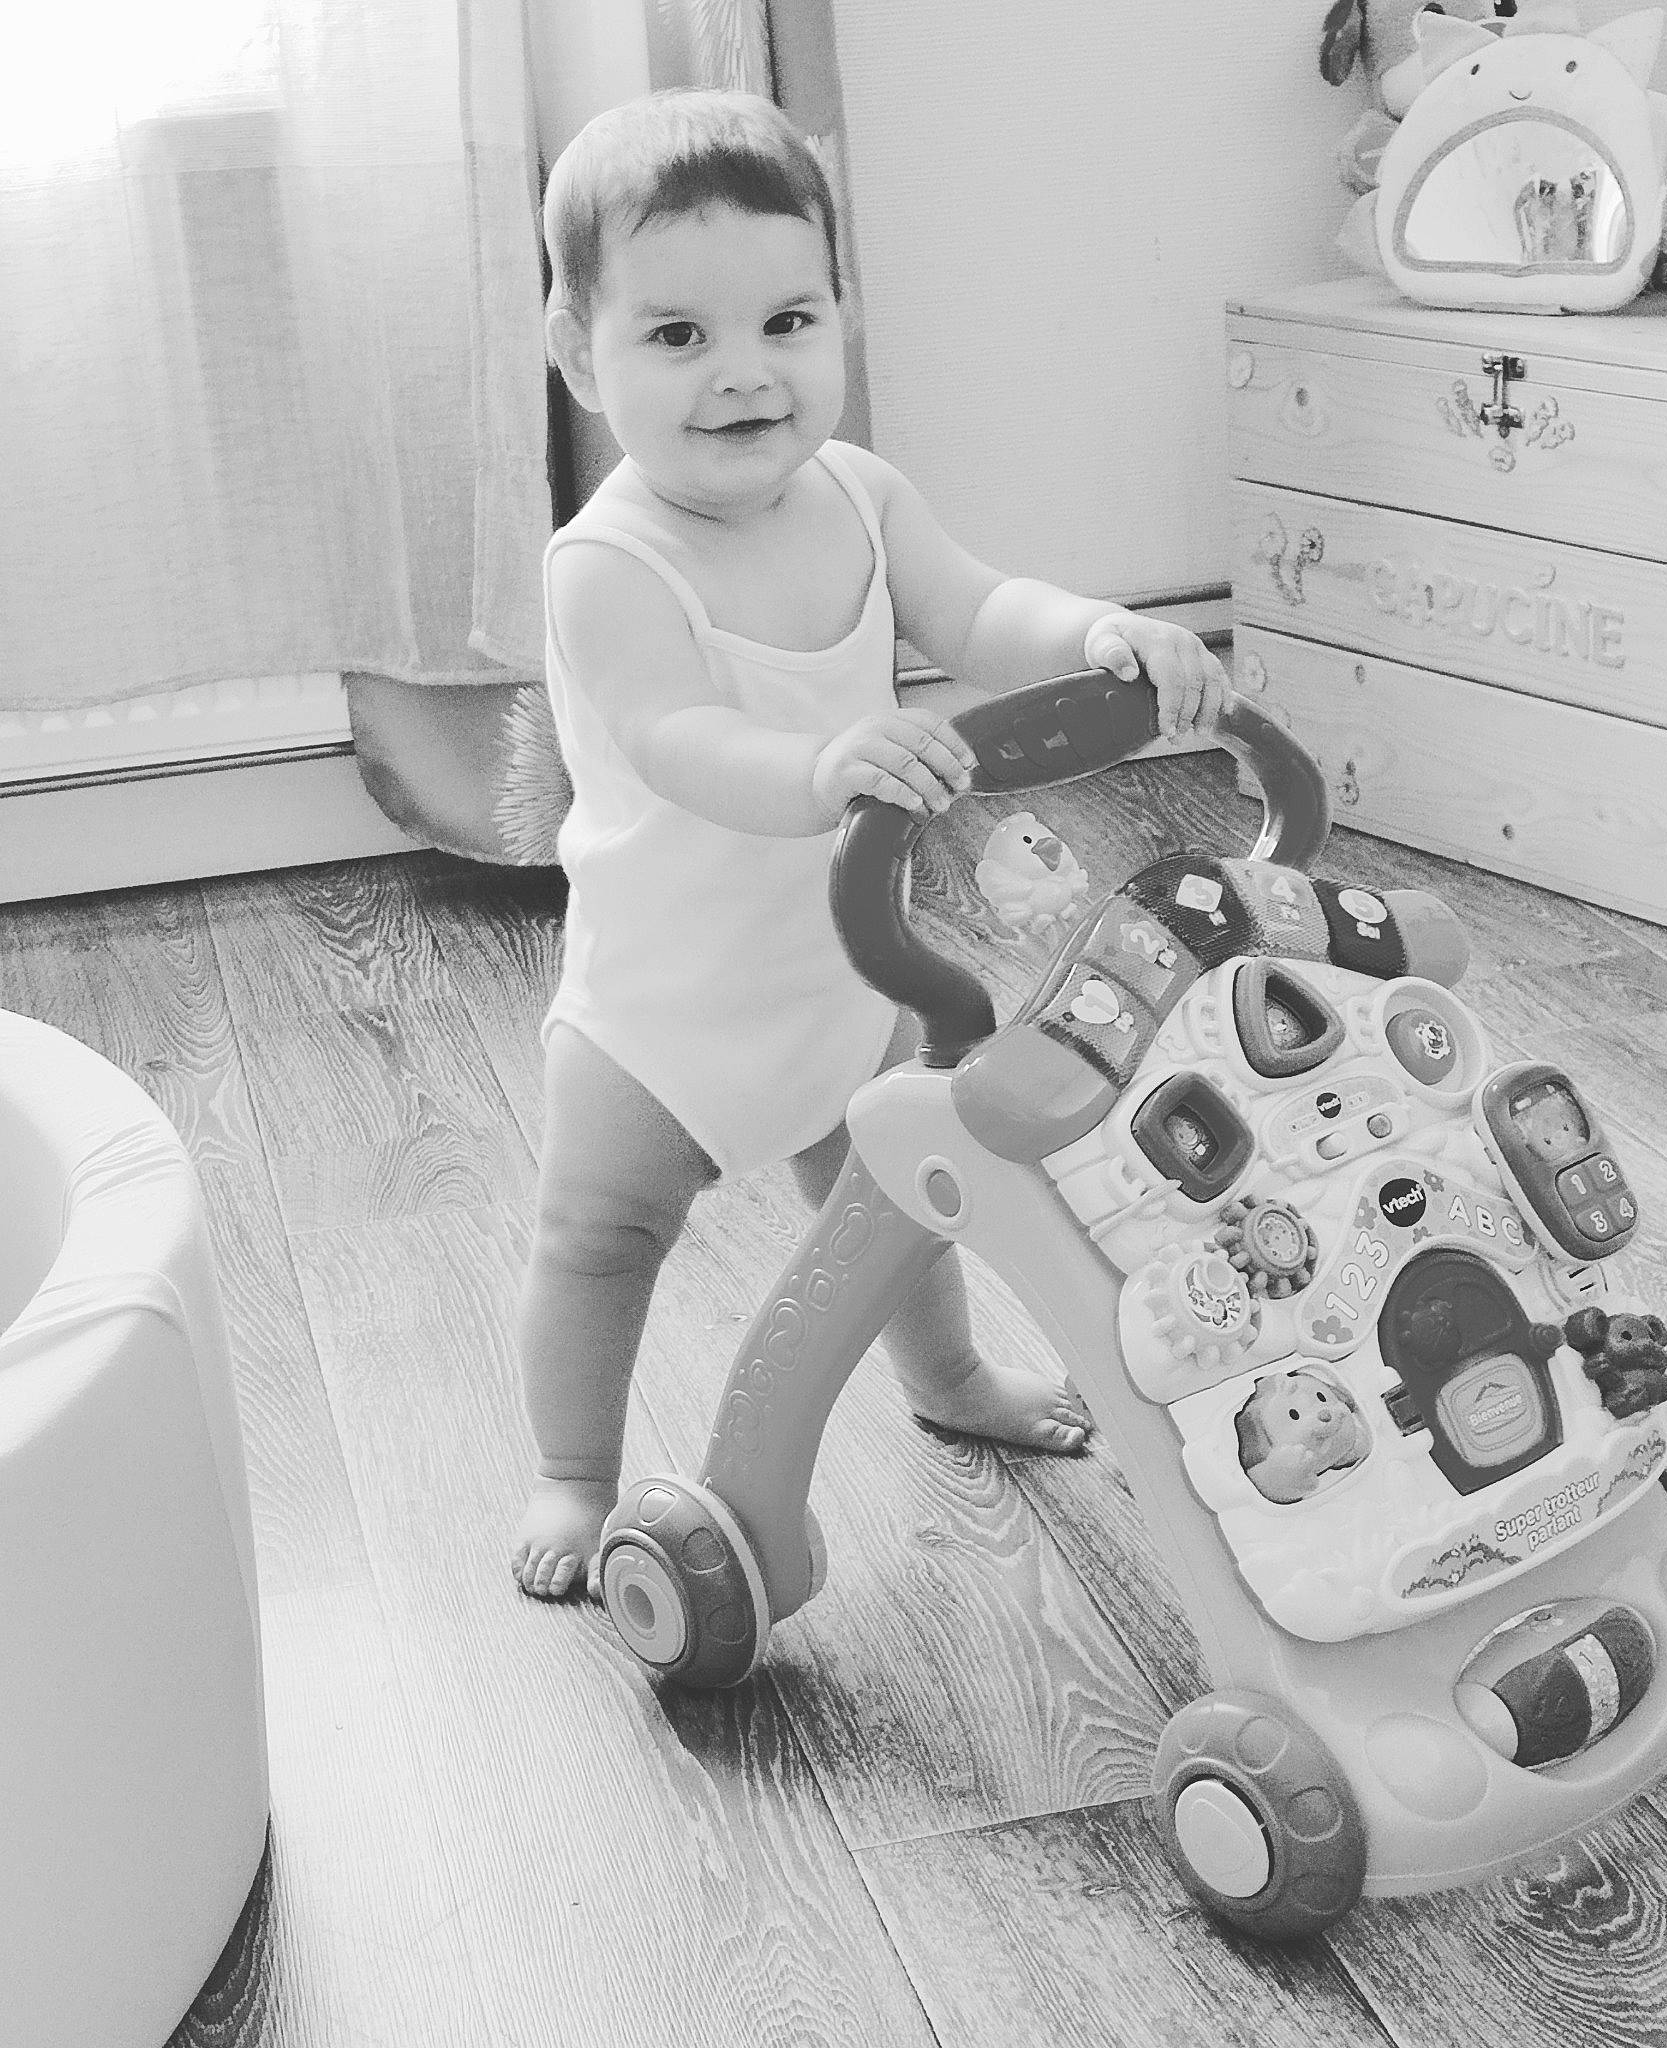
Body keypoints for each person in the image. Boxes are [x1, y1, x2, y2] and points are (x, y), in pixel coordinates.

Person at [514, 87, 1230, 1599]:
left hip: (853, 957)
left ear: (840, 315)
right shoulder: (609, 564)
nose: (744, 376)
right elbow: (674, 743)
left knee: (907, 1185)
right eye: (677, 337)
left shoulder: (860, 496)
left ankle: (951, 1378)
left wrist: (1096, 632)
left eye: (786, 321)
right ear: (580, 354)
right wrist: (823, 762)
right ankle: (574, 1477)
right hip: (668, 1001)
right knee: (597, 1232)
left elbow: (977, 612)